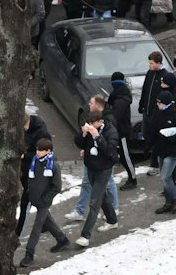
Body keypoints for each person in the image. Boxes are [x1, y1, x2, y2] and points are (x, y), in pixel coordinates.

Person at [19, 136, 71, 266]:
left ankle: (29, 254)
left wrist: (45, 199)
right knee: (49, 221)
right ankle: (62, 240)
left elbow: (57, 187)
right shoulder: (35, 160)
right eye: (37, 149)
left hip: (43, 202)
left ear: (48, 151)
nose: (37, 152)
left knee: (37, 228)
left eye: (41, 150)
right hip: (34, 198)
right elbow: (32, 178)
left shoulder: (53, 166)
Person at [74, 100, 121, 246]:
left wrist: (97, 137)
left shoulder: (111, 131)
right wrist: (83, 135)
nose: (90, 126)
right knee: (103, 196)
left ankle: (85, 236)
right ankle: (112, 220)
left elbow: (109, 151)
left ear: (99, 122)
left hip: (104, 169)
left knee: (94, 202)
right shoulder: (89, 130)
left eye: (92, 124)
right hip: (91, 167)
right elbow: (79, 143)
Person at [144, 80, 176, 214]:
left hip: (172, 150)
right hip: (160, 149)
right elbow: (153, 130)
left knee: (165, 176)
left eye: (160, 103)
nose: (158, 105)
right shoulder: (157, 114)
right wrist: (148, 145)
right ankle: (168, 202)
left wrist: (170, 137)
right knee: (166, 177)